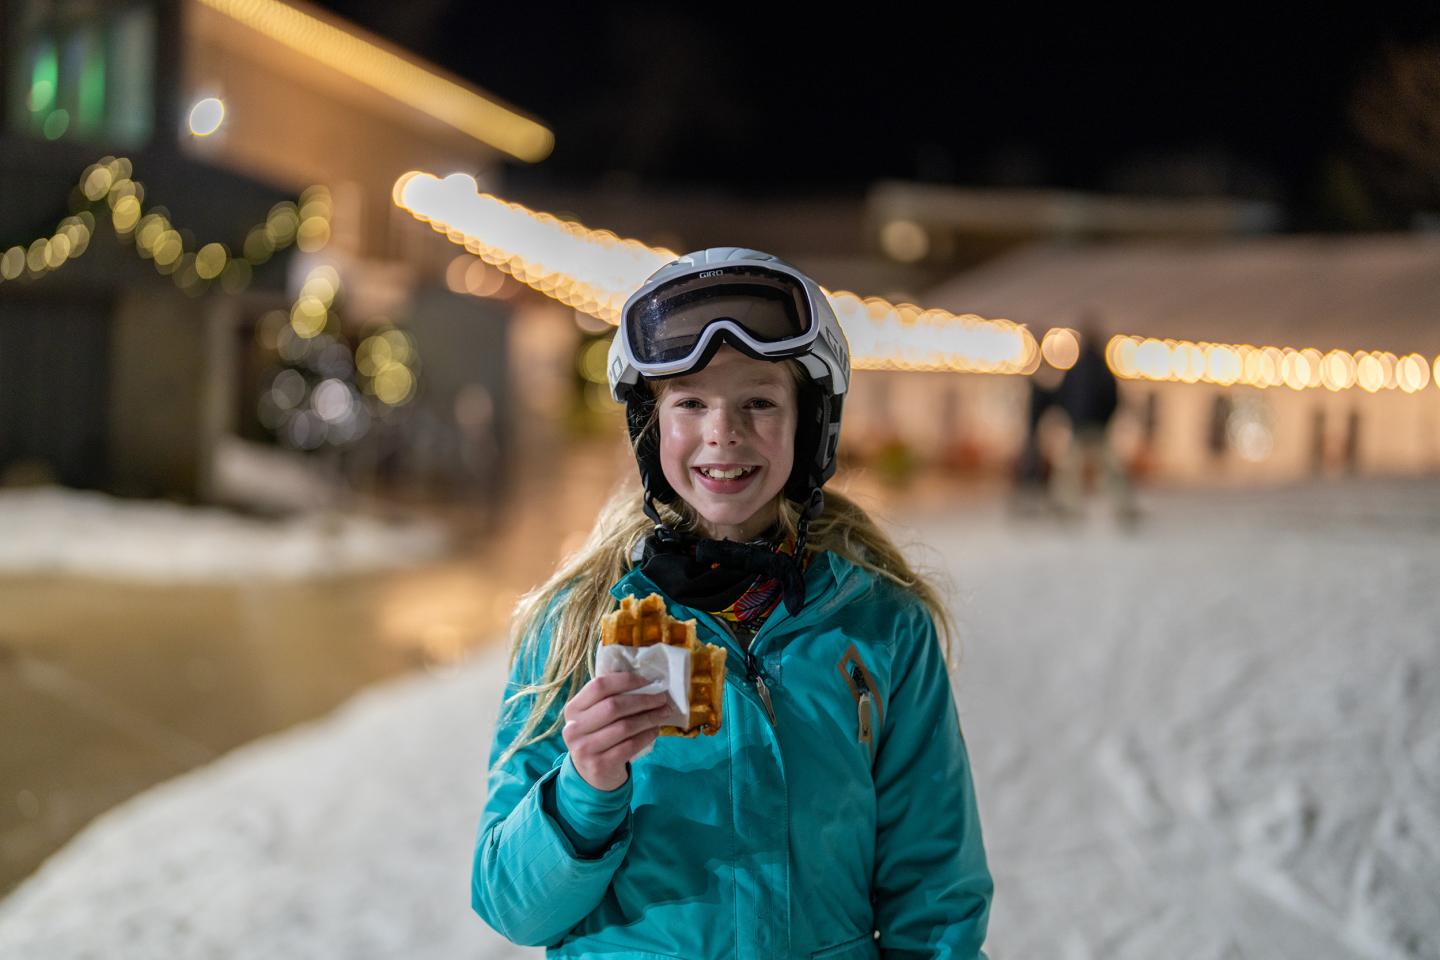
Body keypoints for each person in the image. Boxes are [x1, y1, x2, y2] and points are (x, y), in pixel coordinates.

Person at [472, 248, 992, 959]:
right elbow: (511, 906)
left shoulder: (882, 627)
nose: (724, 432)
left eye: (759, 402)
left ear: (810, 423)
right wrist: (584, 790)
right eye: (690, 402)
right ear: (651, 426)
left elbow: (935, 896)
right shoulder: (578, 622)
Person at [1051, 312, 1138, 525]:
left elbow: (1066, 396)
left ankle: (1072, 505)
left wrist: (1077, 417)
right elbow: (1111, 398)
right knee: (1080, 470)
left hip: (1089, 427)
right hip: (1089, 427)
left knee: (1088, 469)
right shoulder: (1093, 368)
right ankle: (1118, 507)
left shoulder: (1086, 368)